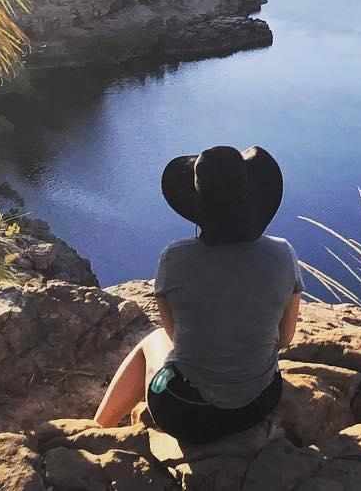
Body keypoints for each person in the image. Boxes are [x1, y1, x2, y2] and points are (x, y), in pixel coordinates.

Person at [94, 144, 302, 443]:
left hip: (185, 411)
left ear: (198, 203)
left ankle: (98, 431)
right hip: (259, 402)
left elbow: (176, 338)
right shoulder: (284, 254)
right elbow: (285, 339)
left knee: (152, 341)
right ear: (252, 196)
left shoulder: (175, 258)